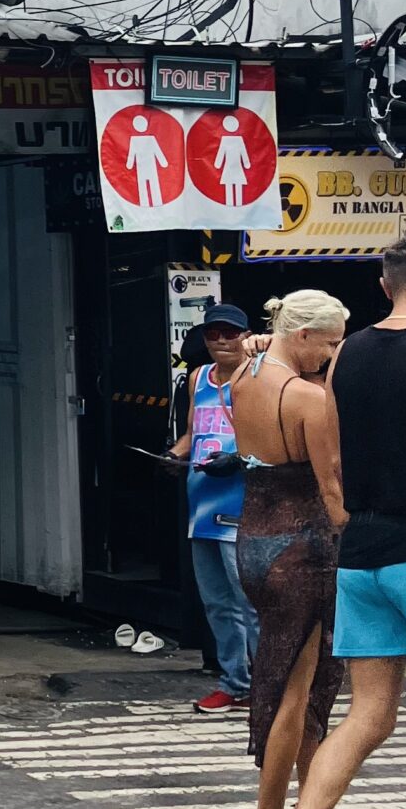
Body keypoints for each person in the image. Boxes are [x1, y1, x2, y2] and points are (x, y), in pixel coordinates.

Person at [259, 236, 406, 809]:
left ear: (383, 284)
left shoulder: (347, 359)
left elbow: (333, 464)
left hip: (364, 553)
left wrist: (354, 525)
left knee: (371, 713)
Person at [229, 289, 349, 809]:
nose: (332, 354)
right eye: (328, 343)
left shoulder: (241, 378)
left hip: (253, 538)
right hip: (305, 546)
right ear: (302, 336)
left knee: (285, 672)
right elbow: (332, 491)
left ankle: (314, 807)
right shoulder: (305, 398)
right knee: (297, 688)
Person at [170, 304, 259, 716]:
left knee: (250, 600)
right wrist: (172, 456)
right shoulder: (198, 378)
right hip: (202, 502)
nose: (222, 341)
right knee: (217, 603)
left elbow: (272, 434)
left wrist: (240, 457)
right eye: (213, 334)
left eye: (230, 333)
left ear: (245, 335)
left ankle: (267, 683)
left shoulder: (259, 378)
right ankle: (234, 682)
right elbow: (192, 433)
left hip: (242, 501)